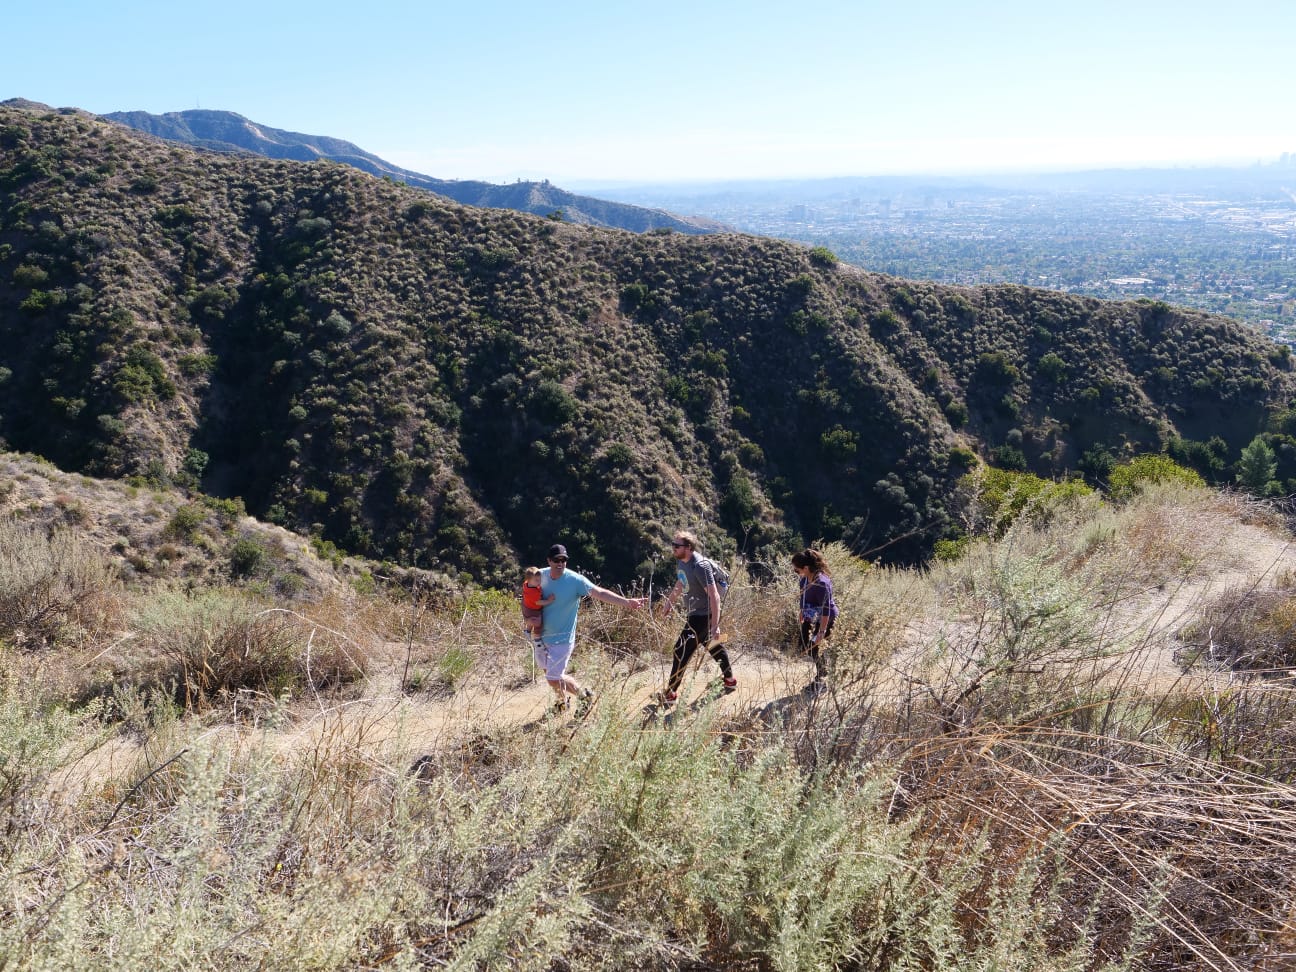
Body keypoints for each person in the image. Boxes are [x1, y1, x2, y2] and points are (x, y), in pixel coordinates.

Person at [537, 543, 646, 714]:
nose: (561, 563)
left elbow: (600, 593)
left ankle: (583, 695)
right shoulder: (540, 576)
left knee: (553, 677)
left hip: (563, 639)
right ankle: (561, 703)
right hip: (541, 637)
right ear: (549, 561)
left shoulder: (575, 580)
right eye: (557, 560)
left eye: (564, 560)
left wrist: (627, 602)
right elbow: (528, 594)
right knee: (551, 675)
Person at [657, 531, 736, 703]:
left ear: (689, 548)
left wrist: (715, 624)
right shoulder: (681, 562)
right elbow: (681, 581)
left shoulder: (700, 566)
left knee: (680, 650)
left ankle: (670, 693)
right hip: (696, 613)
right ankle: (730, 680)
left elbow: (714, 596)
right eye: (673, 544)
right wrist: (670, 601)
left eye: (677, 546)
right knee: (714, 646)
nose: (673, 548)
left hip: (702, 616)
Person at [792, 548, 838, 696]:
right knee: (804, 645)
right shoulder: (805, 579)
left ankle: (821, 680)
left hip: (825, 619)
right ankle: (824, 673)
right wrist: (801, 611)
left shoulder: (822, 583)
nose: (796, 572)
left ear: (806, 568)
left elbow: (826, 610)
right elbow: (802, 597)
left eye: (796, 570)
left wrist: (821, 632)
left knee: (816, 648)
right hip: (810, 617)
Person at [521, 566, 553, 644]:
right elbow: (539, 602)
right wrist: (549, 601)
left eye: (539, 579)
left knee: (530, 620)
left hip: (527, 606)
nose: (539, 582)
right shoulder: (533, 592)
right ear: (529, 580)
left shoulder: (526, 584)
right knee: (537, 624)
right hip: (533, 609)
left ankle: (527, 631)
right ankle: (537, 641)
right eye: (536, 580)